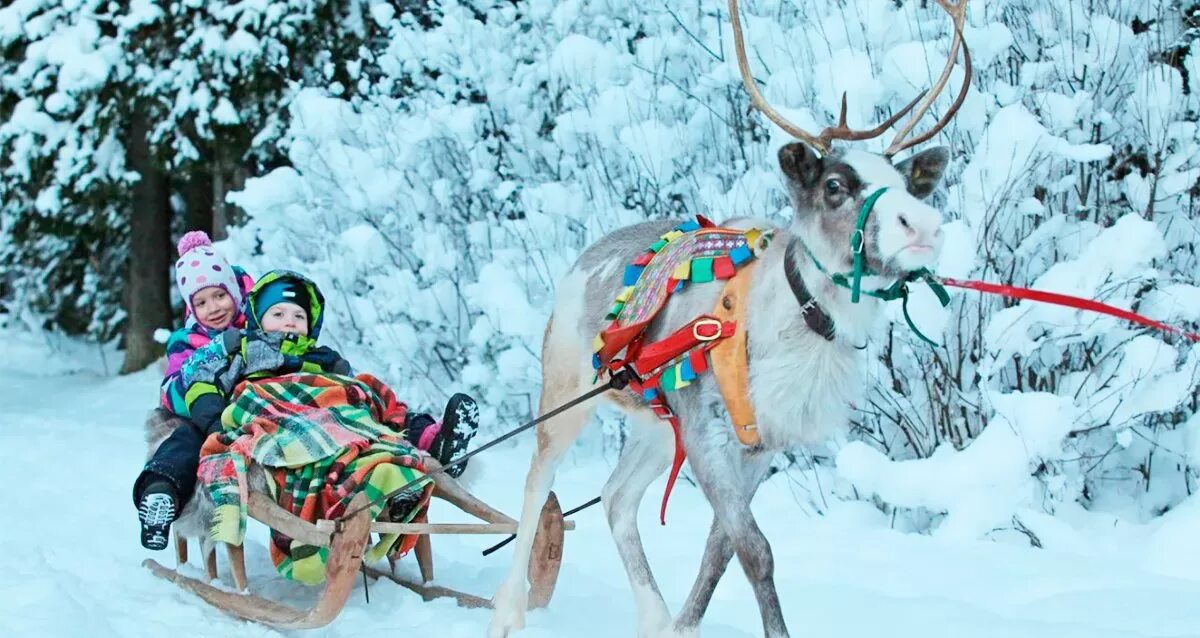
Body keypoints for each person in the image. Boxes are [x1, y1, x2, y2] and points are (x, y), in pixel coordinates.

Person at [135, 268, 479, 550]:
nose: (289, 321)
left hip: (325, 415)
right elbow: (200, 384)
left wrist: (359, 396)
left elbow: (347, 390)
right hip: (270, 413)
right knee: (184, 438)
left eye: (298, 315)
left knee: (372, 394)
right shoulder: (244, 349)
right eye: (278, 313)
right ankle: (160, 491)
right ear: (257, 319)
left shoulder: (322, 356)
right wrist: (215, 421)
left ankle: (432, 444)